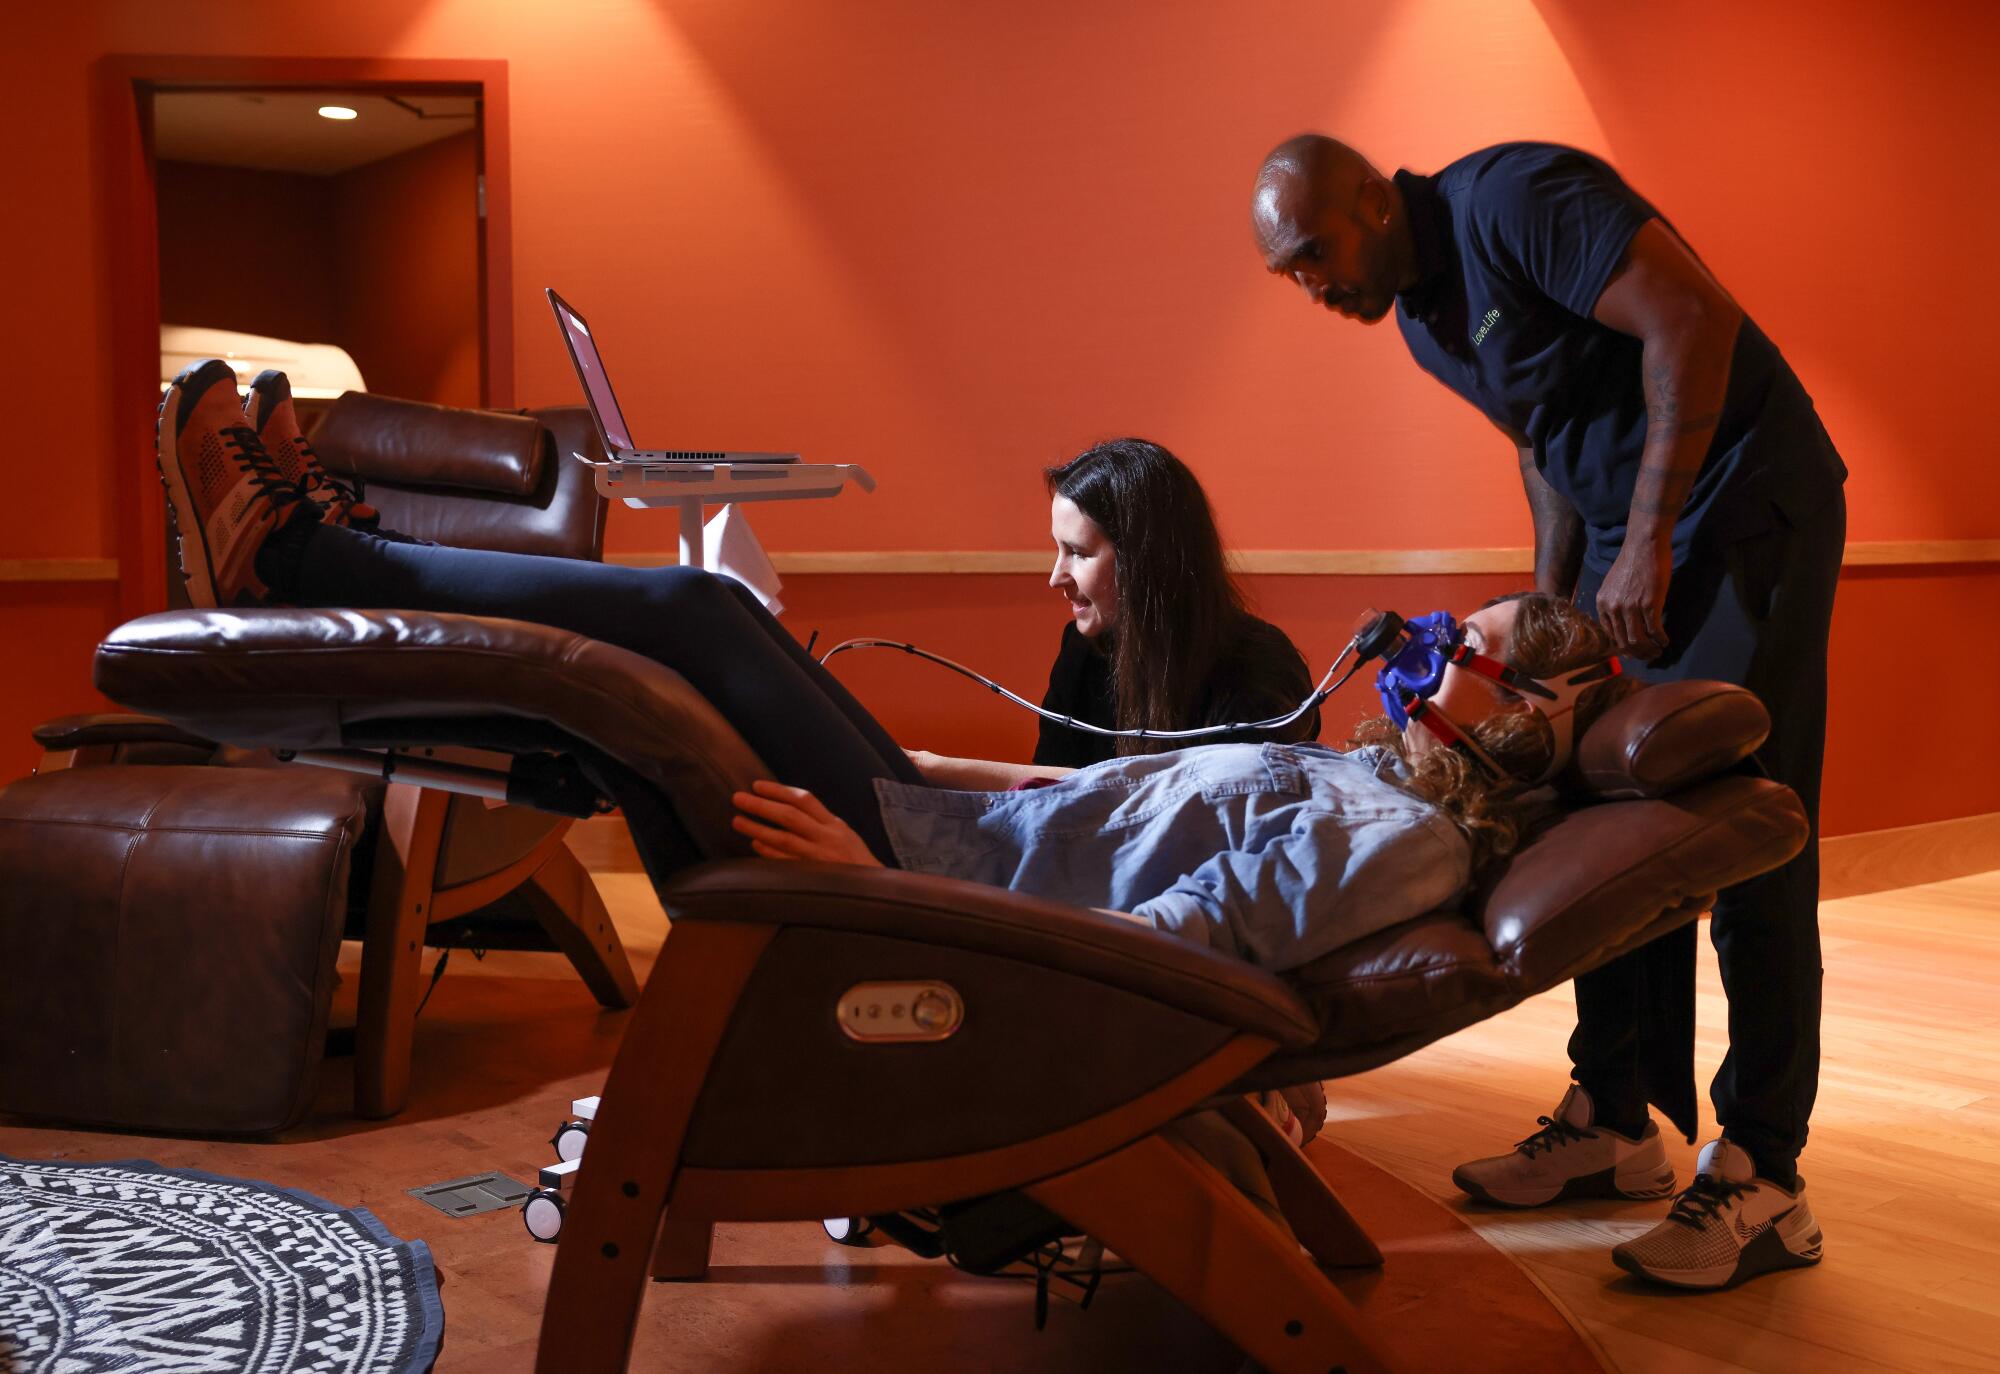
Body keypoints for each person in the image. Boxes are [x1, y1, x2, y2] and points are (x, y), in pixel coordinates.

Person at [158, 357, 1626, 975]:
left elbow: (1165, 949)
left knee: (695, 625)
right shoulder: (1371, 785)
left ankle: (302, 560)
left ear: (1516, 720)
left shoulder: (1405, 848)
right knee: (646, 697)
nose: (1420, 648)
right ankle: (322, 555)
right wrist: (921, 777)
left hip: (930, 882)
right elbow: (1094, 820)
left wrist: (881, 886)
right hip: (943, 829)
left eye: (1461, 647)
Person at [1251, 135, 1845, 1289]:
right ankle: (1620, 1122)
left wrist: (1653, 541)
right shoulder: (1422, 315)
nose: (1310, 286)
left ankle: (1765, 1174)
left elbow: (1690, 319)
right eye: (1289, 275)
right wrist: (1555, 605)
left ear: (1373, 199)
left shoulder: (1514, 198)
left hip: (1747, 509)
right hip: (1638, 545)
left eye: (1313, 253)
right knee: (1598, 821)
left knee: (1749, 823)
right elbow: (1545, 445)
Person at [906, 438, 1320, 788]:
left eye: (1078, 553)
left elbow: (1215, 811)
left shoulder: (1261, 668)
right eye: (1058, 549)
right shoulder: (1083, 648)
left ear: (1146, 561)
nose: (1055, 578)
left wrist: (934, 769)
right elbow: (1048, 801)